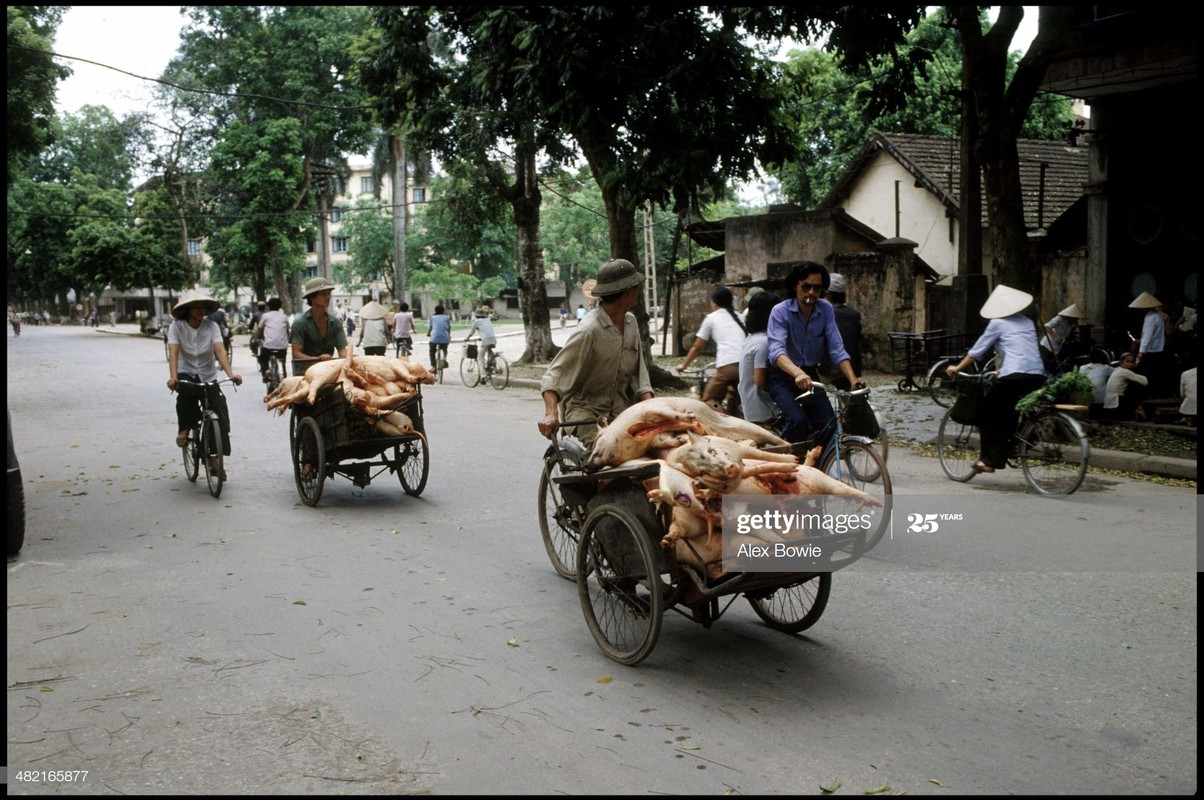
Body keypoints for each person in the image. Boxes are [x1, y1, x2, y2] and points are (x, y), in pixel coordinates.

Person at [538, 258, 653, 447]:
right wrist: (551, 413)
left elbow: (640, 377)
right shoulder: (589, 330)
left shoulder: (631, 322)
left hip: (621, 410)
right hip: (586, 411)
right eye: (636, 287)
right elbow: (554, 375)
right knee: (608, 451)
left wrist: (651, 409)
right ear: (627, 292)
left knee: (651, 448)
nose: (638, 292)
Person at [945, 284, 1047, 473]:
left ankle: (989, 461)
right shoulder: (1027, 322)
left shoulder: (997, 323)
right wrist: (1003, 368)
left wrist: (957, 367)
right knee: (1011, 412)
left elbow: (976, 351)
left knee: (988, 412)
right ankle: (1014, 445)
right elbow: (1021, 349)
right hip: (1036, 375)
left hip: (1014, 376)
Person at [766, 262, 860, 445]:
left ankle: (817, 465)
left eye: (817, 288)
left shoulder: (825, 309)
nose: (811, 292)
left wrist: (853, 380)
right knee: (797, 421)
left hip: (810, 375)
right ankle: (786, 461)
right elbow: (776, 352)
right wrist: (797, 373)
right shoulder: (780, 312)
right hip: (783, 376)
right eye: (806, 286)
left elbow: (837, 349)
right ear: (796, 286)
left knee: (829, 425)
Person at [166, 289, 243, 472]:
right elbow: (174, 352)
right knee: (186, 396)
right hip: (186, 372)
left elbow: (220, 350)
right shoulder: (176, 326)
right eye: (196, 307)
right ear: (188, 309)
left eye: (203, 307)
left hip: (208, 373)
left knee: (219, 408)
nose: (200, 310)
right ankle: (184, 428)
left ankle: (214, 458)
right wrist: (173, 377)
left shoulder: (211, 327)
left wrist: (231, 374)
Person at [675, 285, 746, 415]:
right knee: (733, 391)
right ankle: (734, 410)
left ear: (715, 303)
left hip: (728, 366)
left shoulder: (711, 318)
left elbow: (697, 347)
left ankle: (723, 415)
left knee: (709, 399)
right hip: (747, 365)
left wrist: (683, 365)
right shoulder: (741, 317)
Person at [738, 290, 782, 429]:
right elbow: (760, 381)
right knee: (711, 400)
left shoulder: (751, 338)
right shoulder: (764, 343)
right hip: (764, 410)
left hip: (750, 406)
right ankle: (718, 409)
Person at [290, 277, 348, 375]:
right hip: (305, 372)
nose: (328, 297)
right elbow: (296, 353)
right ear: (312, 297)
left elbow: (342, 350)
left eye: (328, 293)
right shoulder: (300, 323)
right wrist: (318, 360)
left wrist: (349, 359)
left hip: (329, 371)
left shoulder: (336, 322)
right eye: (323, 294)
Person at [823, 273, 862, 391]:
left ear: (828, 294)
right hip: (851, 366)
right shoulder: (854, 314)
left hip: (829, 367)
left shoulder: (825, 313)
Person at [1129, 291, 1171, 398]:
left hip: (1151, 351)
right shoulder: (1157, 316)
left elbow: (1147, 336)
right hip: (1157, 349)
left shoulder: (1151, 318)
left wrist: (1141, 351)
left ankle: (1149, 395)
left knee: (1149, 375)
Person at [1039, 302, 1084, 373]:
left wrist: (1073, 328)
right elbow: (1047, 326)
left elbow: (1067, 335)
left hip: (1057, 349)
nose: (1076, 320)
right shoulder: (1059, 319)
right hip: (1047, 345)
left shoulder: (1071, 325)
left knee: (1053, 366)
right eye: (1075, 319)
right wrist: (1055, 337)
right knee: (1045, 366)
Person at [254, 297, 290, 382]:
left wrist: (256, 339)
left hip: (269, 346)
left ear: (268, 306)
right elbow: (287, 330)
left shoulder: (265, 316)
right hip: (282, 347)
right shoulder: (284, 317)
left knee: (262, 358)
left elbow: (259, 330)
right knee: (283, 363)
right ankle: (284, 381)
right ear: (280, 306)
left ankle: (267, 370)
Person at [1104, 353, 1148, 421]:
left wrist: (1137, 362)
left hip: (1109, 401)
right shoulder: (1125, 372)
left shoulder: (1116, 369)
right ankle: (1138, 409)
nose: (1130, 364)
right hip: (1117, 400)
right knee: (1136, 386)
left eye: (1132, 362)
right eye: (1127, 361)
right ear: (1121, 362)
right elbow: (1145, 382)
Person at [1078, 350, 1114, 420]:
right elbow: (1116, 373)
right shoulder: (1105, 368)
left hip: (1085, 398)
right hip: (1100, 401)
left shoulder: (1082, 368)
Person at [426, 304, 452, 369]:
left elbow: (430, 328)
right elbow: (449, 328)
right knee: (445, 349)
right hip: (444, 338)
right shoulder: (446, 318)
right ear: (443, 311)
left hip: (434, 338)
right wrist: (448, 336)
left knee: (432, 352)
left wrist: (428, 333)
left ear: (435, 311)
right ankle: (444, 359)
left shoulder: (433, 318)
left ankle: (433, 367)